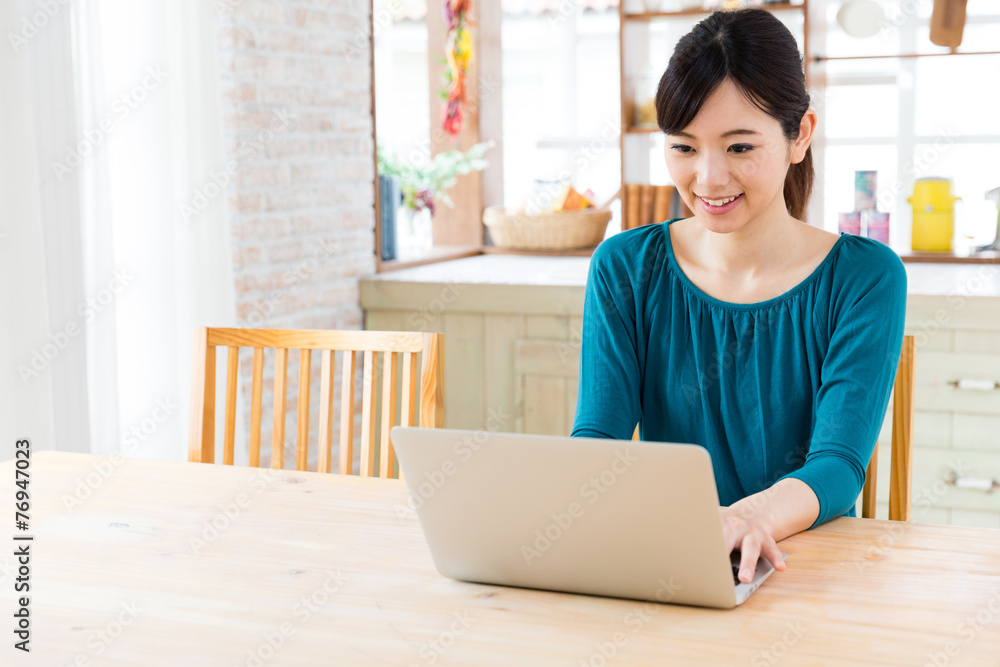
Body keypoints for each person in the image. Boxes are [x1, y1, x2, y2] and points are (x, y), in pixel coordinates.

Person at [571, 8, 907, 585]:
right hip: (675, 562)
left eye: (740, 148)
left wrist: (748, 517)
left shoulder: (864, 277)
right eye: (683, 147)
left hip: (810, 569)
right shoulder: (624, 267)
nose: (708, 179)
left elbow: (838, 465)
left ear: (799, 135)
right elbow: (600, 437)